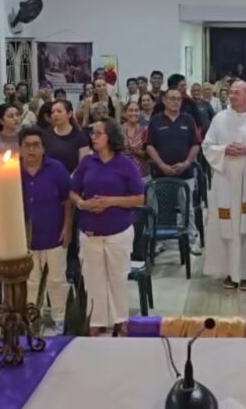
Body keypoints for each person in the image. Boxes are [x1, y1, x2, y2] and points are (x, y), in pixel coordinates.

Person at [71, 119, 144, 336]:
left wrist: (110, 201)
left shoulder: (125, 164)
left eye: (98, 133)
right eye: (92, 133)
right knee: (93, 278)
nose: (93, 137)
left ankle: (120, 319)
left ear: (110, 137)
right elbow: (73, 191)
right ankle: (96, 320)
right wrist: (81, 203)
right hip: (90, 230)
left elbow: (139, 198)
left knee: (117, 277)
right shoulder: (87, 162)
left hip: (118, 231)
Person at [202, 81, 246, 290]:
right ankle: (229, 272)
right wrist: (224, 150)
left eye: (236, 92)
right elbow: (207, 146)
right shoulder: (219, 118)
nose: (232, 96)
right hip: (225, 179)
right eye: (230, 92)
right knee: (226, 224)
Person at [20, 127, 72, 333]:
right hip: (26, 238)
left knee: (57, 279)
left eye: (36, 145)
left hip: (54, 233)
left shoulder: (56, 169)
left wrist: (67, 227)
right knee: (31, 281)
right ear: (20, 148)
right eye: (27, 145)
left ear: (43, 149)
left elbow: (67, 199)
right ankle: (33, 316)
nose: (31, 149)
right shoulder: (12, 171)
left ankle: (60, 317)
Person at [145, 85, 202, 248]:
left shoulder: (188, 119)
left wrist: (186, 163)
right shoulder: (155, 120)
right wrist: (161, 165)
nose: (175, 102)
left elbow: (196, 144)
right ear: (164, 100)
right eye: (172, 98)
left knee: (187, 208)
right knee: (161, 208)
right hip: (161, 173)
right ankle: (160, 241)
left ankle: (192, 239)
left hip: (185, 173)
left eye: (178, 99)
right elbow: (149, 146)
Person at [43, 100, 89, 174]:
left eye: (59, 111)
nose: (55, 114)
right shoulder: (46, 135)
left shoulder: (80, 136)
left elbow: (82, 165)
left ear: (69, 114)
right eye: (53, 112)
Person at [122, 101, 150, 183]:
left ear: (140, 113)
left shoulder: (145, 130)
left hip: (142, 175)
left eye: (136, 110)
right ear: (125, 112)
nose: (133, 113)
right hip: (123, 175)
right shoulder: (118, 130)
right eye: (130, 110)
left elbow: (149, 155)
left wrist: (134, 150)